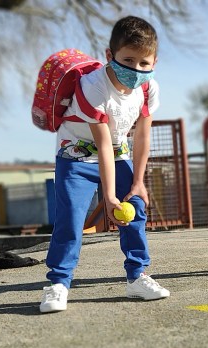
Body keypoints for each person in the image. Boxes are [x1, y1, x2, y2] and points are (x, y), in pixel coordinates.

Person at [40, 15, 170, 313]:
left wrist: (138, 182)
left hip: (118, 151)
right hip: (76, 155)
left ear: (154, 62)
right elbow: (101, 146)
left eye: (144, 63)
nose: (136, 69)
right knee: (71, 218)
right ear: (110, 55)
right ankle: (58, 283)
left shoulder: (148, 88)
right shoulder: (93, 86)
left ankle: (137, 276)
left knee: (135, 208)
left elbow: (142, 136)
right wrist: (110, 197)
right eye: (128, 60)